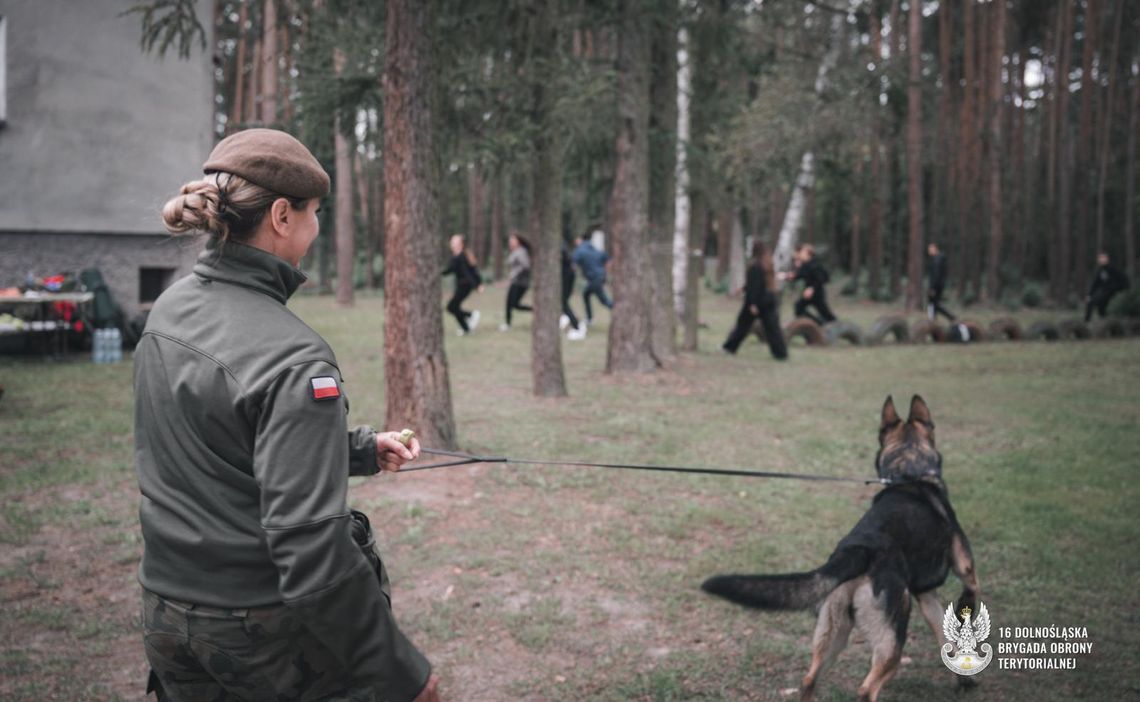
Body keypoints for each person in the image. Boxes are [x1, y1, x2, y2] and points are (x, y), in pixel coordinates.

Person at [135, 128, 440, 701]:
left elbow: (216, 436)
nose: (316, 226)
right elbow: (310, 551)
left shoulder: (169, 308)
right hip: (258, 629)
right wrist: (405, 676)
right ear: (281, 215)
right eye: (315, 212)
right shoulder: (296, 356)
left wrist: (353, 449)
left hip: (165, 612)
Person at [723, 240, 788, 360]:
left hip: (756, 302)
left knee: (742, 326)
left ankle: (729, 347)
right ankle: (781, 353)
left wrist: (753, 304)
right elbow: (758, 284)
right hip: (768, 300)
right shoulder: (766, 264)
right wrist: (743, 288)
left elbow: (755, 286)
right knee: (773, 328)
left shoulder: (755, 266)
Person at [783, 243, 836, 326]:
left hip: (817, 294)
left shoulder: (815, 264)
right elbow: (798, 275)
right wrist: (785, 276)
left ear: (809, 254)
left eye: (803, 252)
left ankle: (837, 326)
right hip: (808, 294)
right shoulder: (805, 265)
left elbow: (821, 279)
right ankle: (816, 324)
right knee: (798, 308)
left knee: (826, 313)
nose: (800, 254)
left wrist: (812, 288)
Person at [442, 234, 483, 336]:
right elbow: (449, 270)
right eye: (451, 241)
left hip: (466, 285)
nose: (451, 243)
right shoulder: (455, 257)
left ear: (460, 244)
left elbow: (471, 271)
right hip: (461, 286)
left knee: (451, 307)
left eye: (454, 241)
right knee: (454, 307)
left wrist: (478, 284)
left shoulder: (462, 256)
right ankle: (466, 328)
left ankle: (472, 315)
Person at [571, 231, 612, 325]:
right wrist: (605, 272)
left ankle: (622, 311)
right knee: (586, 294)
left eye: (576, 239)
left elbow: (573, 266)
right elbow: (608, 261)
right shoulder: (594, 248)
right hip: (600, 277)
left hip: (594, 279)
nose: (575, 241)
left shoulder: (579, 251)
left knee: (604, 301)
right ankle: (589, 318)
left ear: (580, 239)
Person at [500, 232, 533, 331]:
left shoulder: (521, 251)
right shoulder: (516, 251)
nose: (510, 242)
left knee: (513, 304)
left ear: (518, 241)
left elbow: (526, 265)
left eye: (513, 240)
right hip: (516, 282)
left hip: (520, 283)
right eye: (510, 240)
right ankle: (507, 324)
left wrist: (514, 275)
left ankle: (535, 309)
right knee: (511, 304)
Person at [1085, 251, 1130, 322]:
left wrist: (1125, 289)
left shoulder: (1112, 268)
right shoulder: (1100, 270)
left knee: (1101, 302)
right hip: (1104, 291)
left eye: (1103, 258)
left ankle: (1104, 319)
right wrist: (1089, 294)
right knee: (1092, 301)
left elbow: (1123, 277)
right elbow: (1095, 284)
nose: (1101, 260)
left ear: (1107, 258)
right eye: (1100, 258)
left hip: (1113, 291)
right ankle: (1088, 321)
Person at [560, 240, 586, 340]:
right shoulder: (562, 245)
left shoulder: (560, 246)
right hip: (568, 276)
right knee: (563, 303)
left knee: (563, 303)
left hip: (567, 276)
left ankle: (577, 325)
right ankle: (572, 321)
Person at [926, 242, 956, 322]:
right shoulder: (938, 259)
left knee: (934, 303)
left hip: (936, 286)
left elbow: (936, 275)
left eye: (930, 249)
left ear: (935, 249)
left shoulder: (937, 260)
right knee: (934, 304)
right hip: (939, 285)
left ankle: (950, 317)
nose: (929, 251)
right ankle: (933, 320)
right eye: (928, 249)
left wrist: (932, 288)